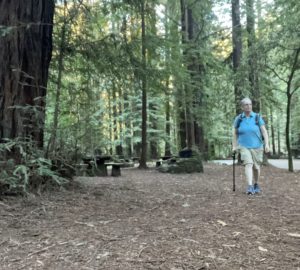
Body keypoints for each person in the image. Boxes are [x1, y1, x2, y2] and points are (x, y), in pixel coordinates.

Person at [232, 98, 270, 195]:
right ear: (242, 107)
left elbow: (264, 131)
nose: (248, 106)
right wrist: (234, 146)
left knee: (256, 168)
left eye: (250, 104)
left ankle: (256, 184)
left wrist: (267, 144)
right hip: (244, 145)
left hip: (257, 146)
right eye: (246, 105)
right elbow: (235, 133)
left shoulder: (257, 117)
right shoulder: (239, 119)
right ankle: (249, 186)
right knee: (248, 164)